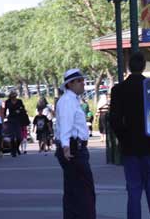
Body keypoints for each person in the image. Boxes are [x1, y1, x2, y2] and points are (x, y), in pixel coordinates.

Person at [110, 52, 150, 219]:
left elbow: (114, 120)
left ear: (128, 66)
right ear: (144, 66)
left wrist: (123, 139)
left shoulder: (118, 90)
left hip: (130, 147)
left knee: (133, 189)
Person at [54, 68, 96, 219]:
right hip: (73, 148)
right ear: (70, 84)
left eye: (82, 80)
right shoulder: (67, 101)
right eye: (79, 81)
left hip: (74, 147)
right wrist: (66, 146)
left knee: (75, 191)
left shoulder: (71, 100)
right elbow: (66, 124)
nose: (82, 83)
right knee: (83, 191)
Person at [3, 90, 27, 157]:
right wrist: (4, 117)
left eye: (15, 96)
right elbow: (5, 110)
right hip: (11, 119)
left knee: (19, 137)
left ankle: (16, 148)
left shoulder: (19, 101)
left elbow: (23, 108)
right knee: (12, 136)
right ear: (10, 96)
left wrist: (19, 110)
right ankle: (13, 151)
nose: (14, 97)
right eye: (12, 96)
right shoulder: (7, 102)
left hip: (18, 120)